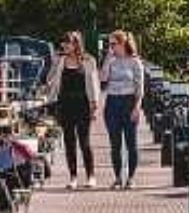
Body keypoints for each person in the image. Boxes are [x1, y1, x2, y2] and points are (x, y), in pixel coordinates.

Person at [42, 31, 101, 189]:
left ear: (76, 44)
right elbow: (50, 80)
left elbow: (94, 84)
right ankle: (73, 177)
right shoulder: (60, 60)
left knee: (84, 141)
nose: (65, 45)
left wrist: (94, 104)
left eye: (68, 42)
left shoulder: (88, 60)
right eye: (64, 43)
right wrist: (52, 76)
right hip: (65, 104)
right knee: (69, 142)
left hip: (82, 104)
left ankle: (91, 176)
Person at [100, 30, 147, 189]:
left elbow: (140, 88)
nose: (111, 47)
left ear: (122, 43)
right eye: (109, 44)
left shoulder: (135, 62)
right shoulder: (111, 60)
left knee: (131, 143)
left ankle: (131, 178)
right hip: (112, 102)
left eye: (113, 44)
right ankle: (118, 178)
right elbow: (103, 78)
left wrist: (137, 107)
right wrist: (107, 59)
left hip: (129, 102)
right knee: (115, 144)